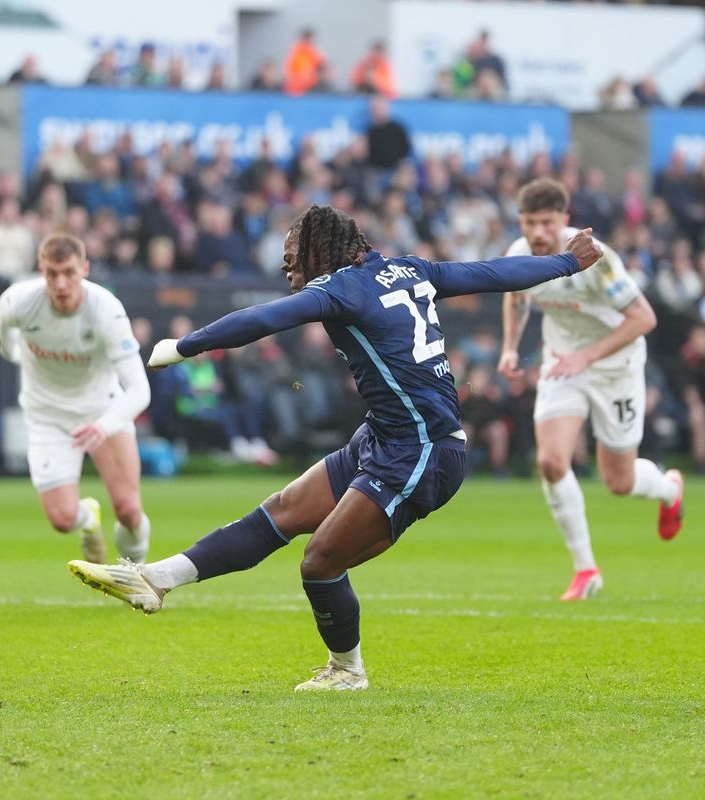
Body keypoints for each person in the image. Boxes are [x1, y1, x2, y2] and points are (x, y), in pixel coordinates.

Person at [68, 204, 605, 691]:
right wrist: (566, 262)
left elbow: (264, 319)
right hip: (385, 436)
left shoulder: (342, 289)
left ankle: (348, 671)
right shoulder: (412, 269)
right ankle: (154, 580)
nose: (286, 269)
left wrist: (185, 345)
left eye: (290, 257)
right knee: (279, 512)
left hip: (422, 451)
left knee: (320, 561)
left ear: (318, 251)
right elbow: (492, 273)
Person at [497, 178, 683, 601]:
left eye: (546, 222)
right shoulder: (519, 253)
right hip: (563, 363)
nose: (538, 233)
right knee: (550, 460)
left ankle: (670, 488)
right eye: (530, 223)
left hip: (615, 367)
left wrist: (588, 356)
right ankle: (586, 570)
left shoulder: (596, 258)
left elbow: (643, 318)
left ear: (564, 220)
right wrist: (510, 348)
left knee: (617, 480)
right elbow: (516, 297)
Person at [0, 233, 152, 564]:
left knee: (128, 510)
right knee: (62, 520)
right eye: (53, 274)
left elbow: (140, 390)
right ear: (42, 271)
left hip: (102, 411)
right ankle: (88, 519)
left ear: (85, 268)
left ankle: (135, 576)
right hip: (47, 416)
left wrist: (104, 425)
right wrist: (19, 356)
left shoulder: (106, 311)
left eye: (69, 272)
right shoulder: (16, 302)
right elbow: (5, 340)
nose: (62, 283)